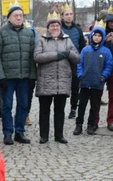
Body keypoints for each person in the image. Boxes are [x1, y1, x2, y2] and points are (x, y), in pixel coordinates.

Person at [0, 3, 37, 145]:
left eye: (21, 15)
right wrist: (1, 76)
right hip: (7, 77)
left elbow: (32, 56)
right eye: (15, 15)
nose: (19, 18)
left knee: (23, 105)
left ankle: (19, 132)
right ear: (9, 18)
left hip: (24, 76)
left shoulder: (29, 33)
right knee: (7, 105)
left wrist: (32, 76)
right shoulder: (0, 32)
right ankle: (7, 133)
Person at [34, 12, 81, 144]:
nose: (55, 27)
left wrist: (68, 53)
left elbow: (77, 58)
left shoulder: (67, 40)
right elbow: (37, 57)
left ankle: (59, 135)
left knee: (59, 110)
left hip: (62, 80)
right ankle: (44, 135)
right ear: (48, 27)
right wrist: (57, 55)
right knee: (44, 110)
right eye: (52, 25)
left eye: (57, 25)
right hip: (46, 81)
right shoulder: (42, 40)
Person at [75, 22, 113, 136]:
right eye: (95, 35)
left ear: (102, 38)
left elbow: (108, 65)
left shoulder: (106, 51)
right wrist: (80, 74)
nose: (97, 37)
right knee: (82, 105)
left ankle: (91, 125)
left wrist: (103, 76)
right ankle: (79, 125)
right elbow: (80, 63)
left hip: (97, 83)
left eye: (99, 36)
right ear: (91, 36)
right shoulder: (85, 50)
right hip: (85, 83)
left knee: (95, 107)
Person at [60, 3, 86, 120]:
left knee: (75, 86)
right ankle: (61, 108)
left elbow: (82, 46)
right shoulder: (59, 29)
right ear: (62, 16)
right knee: (63, 86)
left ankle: (73, 108)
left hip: (75, 62)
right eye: (66, 14)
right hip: (62, 61)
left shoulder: (78, 30)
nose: (69, 16)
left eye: (71, 14)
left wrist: (81, 61)